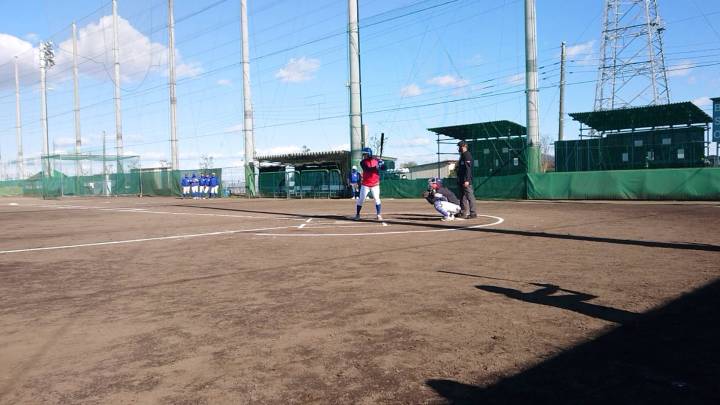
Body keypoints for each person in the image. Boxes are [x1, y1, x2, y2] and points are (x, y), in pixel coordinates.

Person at [354, 147, 385, 220]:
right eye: (363, 154)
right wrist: (376, 167)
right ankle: (357, 214)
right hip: (365, 184)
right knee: (361, 199)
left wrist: (382, 165)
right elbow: (367, 169)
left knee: (377, 199)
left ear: (369, 154)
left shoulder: (376, 160)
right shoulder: (362, 162)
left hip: (375, 184)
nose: (364, 156)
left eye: (365, 154)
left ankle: (378, 214)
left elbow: (384, 168)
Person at [456, 140, 477, 219]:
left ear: (464, 146)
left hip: (466, 181)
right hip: (461, 180)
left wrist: (467, 180)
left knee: (470, 197)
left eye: (460, 146)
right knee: (462, 197)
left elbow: (468, 169)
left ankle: (473, 213)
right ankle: (463, 212)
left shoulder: (467, 155)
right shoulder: (462, 155)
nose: (459, 148)